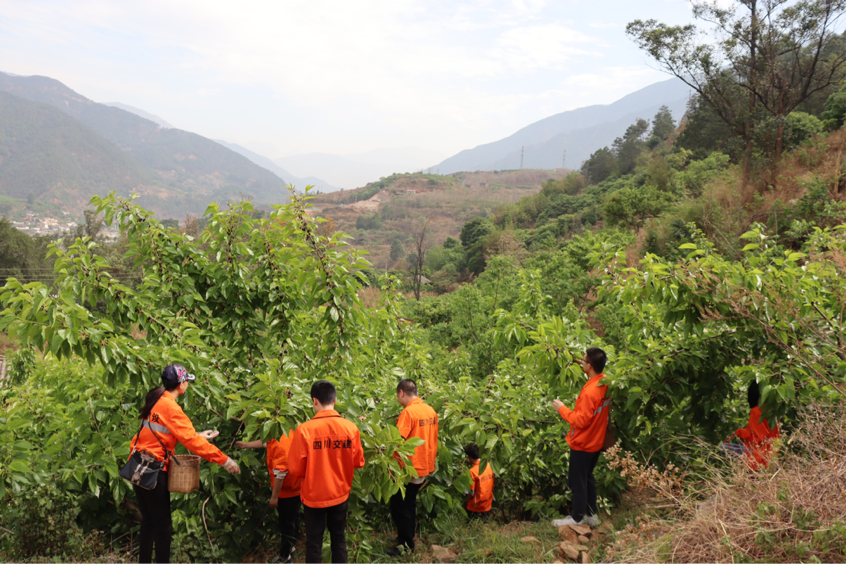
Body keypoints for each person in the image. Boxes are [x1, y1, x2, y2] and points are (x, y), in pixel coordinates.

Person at [130, 364, 241, 564]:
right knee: (163, 527)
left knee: (149, 522)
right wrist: (225, 460)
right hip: (154, 470)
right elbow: (191, 442)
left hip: (137, 465)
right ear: (181, 385)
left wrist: (197, 435)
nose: (188, 384)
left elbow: (166, 432)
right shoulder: (171, 406)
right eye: (187, 381)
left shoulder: (157, 400)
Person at [287, 381, 365, 564]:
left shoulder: (304, 430)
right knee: (339, 538)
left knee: (314, 542)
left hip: (314, 497)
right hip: (340, 494)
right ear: (335, 400)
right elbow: (359, 462)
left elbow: (296, 470)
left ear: (314, 401)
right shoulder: (350, 428)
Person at [551, 347, 609, 528]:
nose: (581, 362)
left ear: (590, 366)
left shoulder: (590, 392)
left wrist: (561, 408)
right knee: (588, 477)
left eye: (583, 361)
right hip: (596, 441)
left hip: (583, 443)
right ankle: (591, 515)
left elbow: (580, 420)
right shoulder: (605, 383)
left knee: (577, 482)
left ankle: (577, 518)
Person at [387, 378, 439, 556]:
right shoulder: (430, 411)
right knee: (409, 504)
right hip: (424, 466)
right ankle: (406, 538)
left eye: (397, 395)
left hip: (409, 468)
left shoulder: (409, 413)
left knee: (399, 506)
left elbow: (397, 440)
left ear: (401, 393)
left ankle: (406, 546)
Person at [235, 433, 304, 564]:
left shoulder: (281, 443)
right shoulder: (284, 431)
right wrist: (246, 445)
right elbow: (267, 442)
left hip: (287, 489)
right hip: (296, 486)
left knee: (287, 523)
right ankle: (291, 546)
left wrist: (274, 497)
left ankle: (285, 556)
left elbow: (280, 473)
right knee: (294, 518)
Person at [725, 381, 781, 469]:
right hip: (772, 457)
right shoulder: (772, 410)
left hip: (759, 461)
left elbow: (758, 438)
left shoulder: (756, 411)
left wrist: (740, 432)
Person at [463, 443, 494, 519]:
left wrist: (464, 504)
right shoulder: (489, 466)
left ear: (469, 457)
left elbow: (471, 493)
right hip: (487, 507)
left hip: (475, 509)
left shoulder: (472, 472)